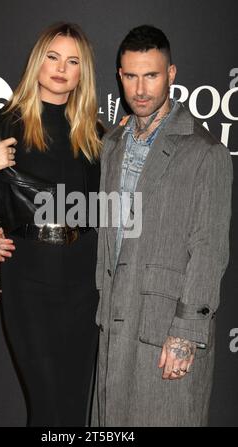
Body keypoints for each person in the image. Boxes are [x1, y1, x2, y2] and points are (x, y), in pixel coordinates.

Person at [0, 22, 103, 427]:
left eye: (73, 61)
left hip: (86, 285)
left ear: (84, 73)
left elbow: (106, 215)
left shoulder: (96, 137)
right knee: (47, 407)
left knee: (72, 409)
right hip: (29, 279)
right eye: (52, 56)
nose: (61, 68)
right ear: (37, 61)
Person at [89, 25, 233, 426]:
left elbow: (209, 249)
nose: (140, 88)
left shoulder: (206, 152)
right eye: (131, 76)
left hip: (164, 327)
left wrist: (185, 333)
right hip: (115, 322)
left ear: (171, 74)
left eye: (151, 75)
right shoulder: (112, 145)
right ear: (119, 75)